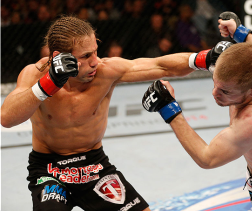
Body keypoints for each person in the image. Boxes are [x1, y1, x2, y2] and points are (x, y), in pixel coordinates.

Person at [0, 15, 198, 211]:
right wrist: (48, 84)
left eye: (95, 52)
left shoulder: (106, 71)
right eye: (86, 56)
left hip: (94, 165)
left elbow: (161, 65)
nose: (95, 61)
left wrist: (204, 58)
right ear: (59, 57)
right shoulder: (35, 74)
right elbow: (7, 118)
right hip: (49, 169)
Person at [142, 11, 252, 210]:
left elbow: (207, 158)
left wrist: (168, 108)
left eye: (225, 91)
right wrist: (242, 34)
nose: (215, 94)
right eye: (215, 83)